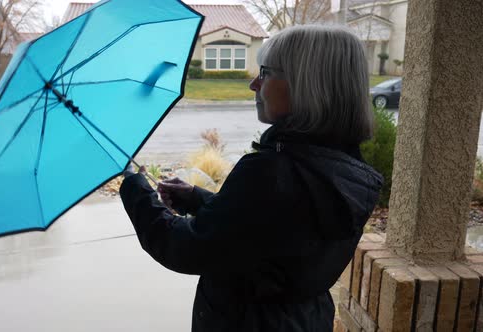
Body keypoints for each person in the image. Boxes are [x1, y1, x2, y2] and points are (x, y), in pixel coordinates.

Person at [120, 25, 383, 332]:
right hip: (307, 320)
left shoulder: (270, 172)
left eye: (266, 72)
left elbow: (186, 248)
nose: (254, 84)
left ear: (306, 84)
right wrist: (197, 198)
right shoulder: (344, 168)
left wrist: (135, 187)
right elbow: (273, 231)